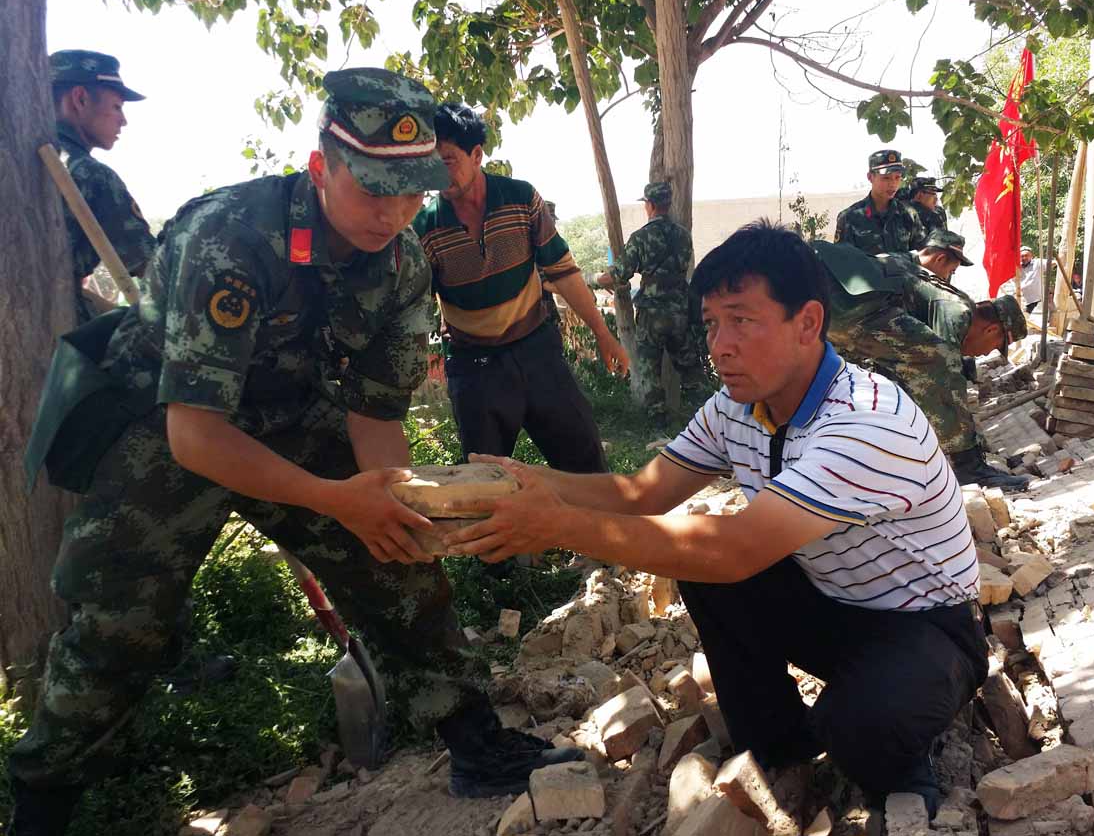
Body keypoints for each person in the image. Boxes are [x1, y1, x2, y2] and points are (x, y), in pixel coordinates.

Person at [8, 69, 581, 836]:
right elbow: (197, 433)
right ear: (321, 167)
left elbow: (374, 414)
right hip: (165, 427)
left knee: (399, 555)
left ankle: (474, 739)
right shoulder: (232, 238)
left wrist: (385, 497)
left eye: (413, 191)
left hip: (292, 415)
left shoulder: (405, 264)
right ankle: (43, 810)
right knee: (116, 624)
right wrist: (333, 498)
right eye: (374, 189)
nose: (394, 212)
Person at [442, 222, 989, 818]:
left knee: (860, 731)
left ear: (808, 322)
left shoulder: (864, 421)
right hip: (834, 606)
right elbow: (643, 493)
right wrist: (529, 482)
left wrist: (554, 524)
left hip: (926, 628)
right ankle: (779, 745)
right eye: (711, 324)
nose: (719, 344)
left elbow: (733, 549)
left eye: (741, 320)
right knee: (701, 569)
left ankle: (897, 748)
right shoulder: (738, 404)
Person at [413, 104, 629, 472]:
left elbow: (562, 272)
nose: (437, 171)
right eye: (430, 161)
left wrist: (603, 334)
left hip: (537, 351)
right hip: (474, 365)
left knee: (587, 469)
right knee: (484, 481)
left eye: (447, 159)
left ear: (477, 154)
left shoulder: (521, 198)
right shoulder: (425, 226)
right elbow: (414, 305)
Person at [815, 238, 1030, 492]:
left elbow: (907, 367)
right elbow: (945, 376)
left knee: (887, 377)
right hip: (847, 303)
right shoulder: (958, 312)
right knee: (935, 360)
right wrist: (971, 448)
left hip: (825, 292)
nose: (984, 354)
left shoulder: (950, 303)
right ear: (991, 329)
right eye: (995, 346)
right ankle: (968, 467)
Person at [49, 50, 158, 323]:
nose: (123, 120)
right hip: (56, 326)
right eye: (117, 107)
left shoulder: (19, 162)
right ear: (80, 99)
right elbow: (154, 267)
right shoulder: (91, 175)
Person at [589, 181, 706, 419]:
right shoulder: (684, 236)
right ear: (668, 203)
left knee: (649, 372)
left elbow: (619, 273)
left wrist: (589, 280)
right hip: (680, 313)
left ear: (650, 205)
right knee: (691, 371)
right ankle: (708, 419)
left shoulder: (641, 238)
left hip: (652, 316)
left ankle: (658, 425)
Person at [834, 149, 927, 255]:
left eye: (897, 177)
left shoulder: (909, 215)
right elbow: (841, 262)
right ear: (870, 177)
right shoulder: (849, 218)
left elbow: (921, 256)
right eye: (886, 178)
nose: (893, 184)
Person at [1018, 246, 1047, 314]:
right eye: (1022, 256)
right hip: (1023, 299)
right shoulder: (1018, 266)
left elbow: (1051, 263)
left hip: (1036, 299)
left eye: (1026, 256)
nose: (1024, 258)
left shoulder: (1037, 263)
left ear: (1031, 256)